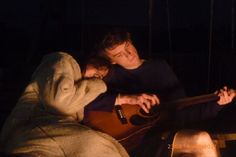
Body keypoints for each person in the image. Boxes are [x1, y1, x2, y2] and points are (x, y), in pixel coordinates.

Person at [83, 29, 235, 157]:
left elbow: (183, 112)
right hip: (127, 142)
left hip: (158, 137)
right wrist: (125, 99)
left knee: (202, 139)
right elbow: (82, 99)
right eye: (119, 54)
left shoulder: (159, 68)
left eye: (128, 46)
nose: (129, 54)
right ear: (112, 61)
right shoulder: (109, 75)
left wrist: (217, 104)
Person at [0, 52, 129, 157]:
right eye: (98, 70)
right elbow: (59, 103)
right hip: (33, 124)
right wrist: (99, 86)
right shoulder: (61, 61)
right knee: (95, 146)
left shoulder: (78, 87)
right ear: (91, 60)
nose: (98, 77)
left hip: (46, 133)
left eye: (101, 77)